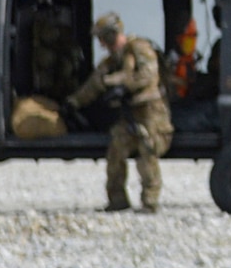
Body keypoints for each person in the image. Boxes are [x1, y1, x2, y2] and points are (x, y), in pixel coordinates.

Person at [65, 13, 173, 213]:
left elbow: (148, 75)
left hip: (151, 114)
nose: (102, 44)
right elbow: (94, 84)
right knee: (115, 151)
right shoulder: (112, 62)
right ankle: (117, 200)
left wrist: (123, 85)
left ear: (113, 34)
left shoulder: (139, 49)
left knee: (147, 151)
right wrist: (74, 102)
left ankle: (150, 202)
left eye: (103, 38)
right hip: (130, 115)